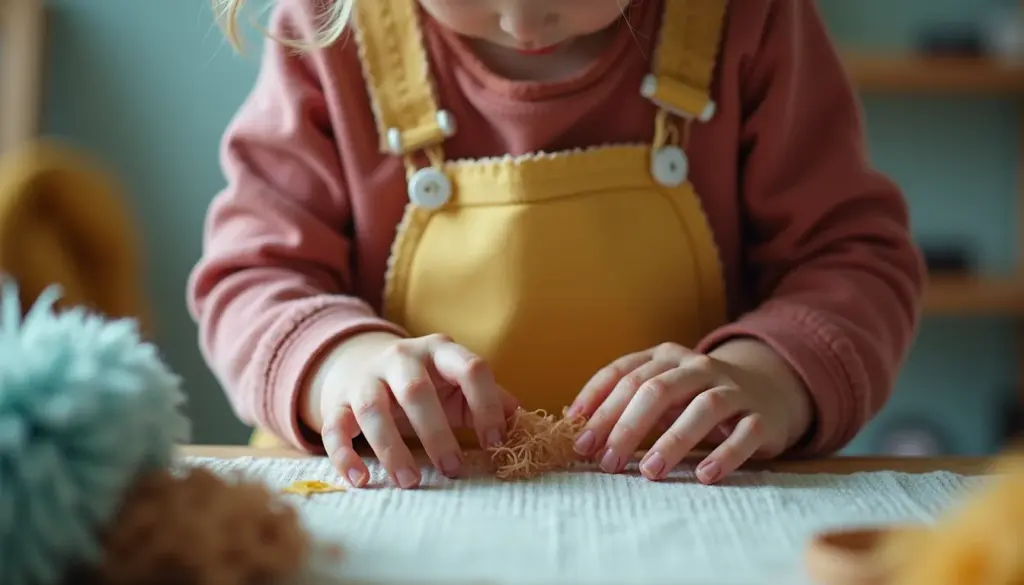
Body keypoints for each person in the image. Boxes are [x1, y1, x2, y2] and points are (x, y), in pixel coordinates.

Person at [187, 0, 926, 490]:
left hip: (683, 516)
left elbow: (854, 259)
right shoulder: (331, 29)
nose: (521, 14)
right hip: (395, 510)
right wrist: (339, 366)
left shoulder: (747, 19)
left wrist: (771, 377)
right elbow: (254, 274)